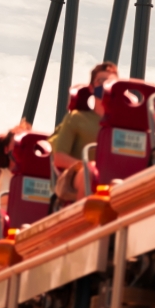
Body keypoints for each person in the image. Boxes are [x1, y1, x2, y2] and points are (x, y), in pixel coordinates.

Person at [49, 61, 118, 204]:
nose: (105, 86)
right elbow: (58, 157)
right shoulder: (77, 118)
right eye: (101, 81)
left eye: (110, 83)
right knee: (91, 173)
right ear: (92, 88)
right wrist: (86, 166)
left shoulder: (120, 125)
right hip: (76, 178)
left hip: (110, 179)